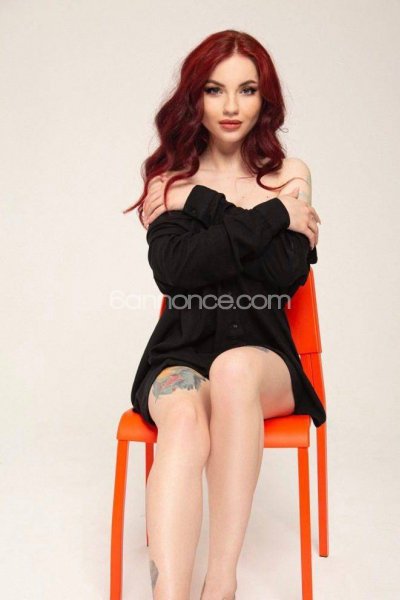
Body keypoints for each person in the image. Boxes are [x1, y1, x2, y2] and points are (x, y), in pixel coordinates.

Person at [123, 29, 324, 600]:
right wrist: (271, 216)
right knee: (185, 422)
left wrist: (200, 207)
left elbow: (283, 271)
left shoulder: (290, 175)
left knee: (234, 368)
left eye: (246, 90)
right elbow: (176, 270)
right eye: (215, 90)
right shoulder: (168, 182)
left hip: (262, 359)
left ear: (265, 98)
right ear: (196, 97)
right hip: (180, 355)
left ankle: (221, 583)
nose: (231, 106)